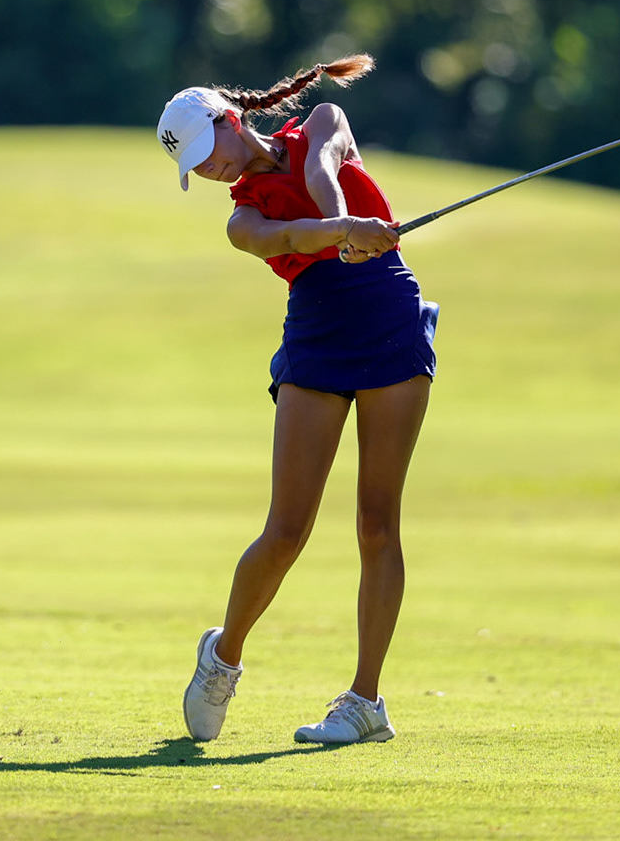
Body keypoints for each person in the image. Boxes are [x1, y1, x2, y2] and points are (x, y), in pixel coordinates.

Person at [155, 55, 438, 746]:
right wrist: (342, 234)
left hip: (391, 318)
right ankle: (223, 656)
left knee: (378, 525)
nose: (212, 170)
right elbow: (284, 237)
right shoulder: (242, 217)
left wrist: (346, 222)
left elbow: (320, 165)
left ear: (231, 119)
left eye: (207, 150)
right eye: (196, 166)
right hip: (318, 331)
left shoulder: (324, 119)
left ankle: (366, 702)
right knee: (287, 529)